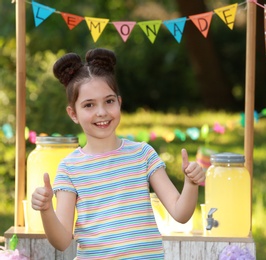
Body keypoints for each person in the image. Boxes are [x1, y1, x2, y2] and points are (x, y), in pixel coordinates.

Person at [31, 48, 205, 259]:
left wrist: (191, 184)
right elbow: (62, 240)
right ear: (73, 114)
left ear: (119, 103)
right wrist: (46, 209)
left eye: (109, 101)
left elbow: (181, 213)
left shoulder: (142, 154)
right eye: (89, 105)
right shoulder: (70, 168)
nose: (101, 112)